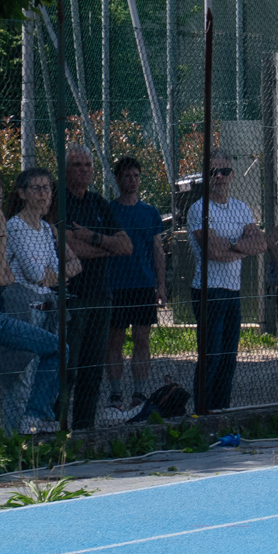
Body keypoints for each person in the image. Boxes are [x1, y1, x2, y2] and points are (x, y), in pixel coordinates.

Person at [0, 172, 64, 438]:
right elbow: (17, 274)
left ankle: (36, 414)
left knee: (58, 349)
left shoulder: (0, 234)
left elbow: (7, 277)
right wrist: (1, 245)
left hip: (2, 313)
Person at [52, 147, 129, 434]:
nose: (84, 169)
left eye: (88, 164)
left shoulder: (99, 203)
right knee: (69, 367)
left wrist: (92, 237)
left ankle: (84, 429)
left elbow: (126, 246)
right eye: (77, 164)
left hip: (101, 294)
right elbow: (68, 247)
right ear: (66, 169)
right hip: (72, 296)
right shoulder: (58, 202)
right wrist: (106, 246)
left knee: (93, 368)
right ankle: (57, 425)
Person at [185, 158, 264, 415]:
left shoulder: (241, 208)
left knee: (229, 358)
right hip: (208, 290)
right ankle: (202, 412)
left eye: (224, 171)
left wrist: (229, 244)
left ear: (232, 175)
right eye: (213, 172)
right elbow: (213, 252)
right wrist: (240, 245)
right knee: (211, 356)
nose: (219, 176)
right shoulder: (199, 209)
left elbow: (260, 244)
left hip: (232, 290)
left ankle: (221, 412)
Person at [100, 157, 167, 410]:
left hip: (143, 285)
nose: (132, 180)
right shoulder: (108, 210)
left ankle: (139, 392)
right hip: (116, 285)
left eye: (136, 175)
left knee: (142, 338)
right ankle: (116, 393)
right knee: (114, 340)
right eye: (127, 176)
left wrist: (161, 285)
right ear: (118, 179)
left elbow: (158, 250)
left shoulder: (150, 212)